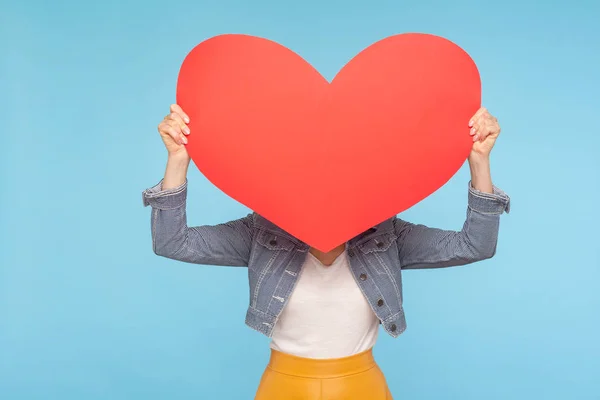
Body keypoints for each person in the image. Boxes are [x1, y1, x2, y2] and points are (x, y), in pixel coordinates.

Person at [142, 104, 511, 400]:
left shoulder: (387, 233)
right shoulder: (261, 230)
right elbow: (173, 241)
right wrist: (178, 159)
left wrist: (479, 161)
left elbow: (474, 244)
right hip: (283, 386)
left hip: (361, 386)